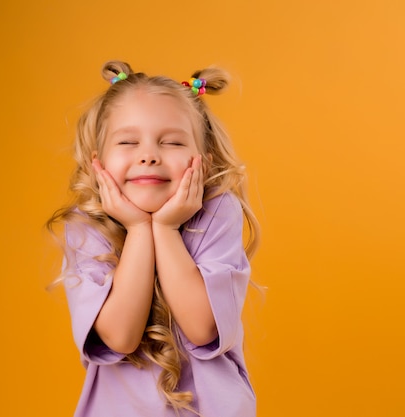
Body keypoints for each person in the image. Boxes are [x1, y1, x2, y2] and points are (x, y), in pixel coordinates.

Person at [47, 60, 260, 417]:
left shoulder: (218, 212)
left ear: (203, 163)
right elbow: (120, 336)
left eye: (173, 142)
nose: (148, 155)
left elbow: (203, 326)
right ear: (97, 163)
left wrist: (163, 229)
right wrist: (138, 229)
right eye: (128, 141)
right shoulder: (87, 225)